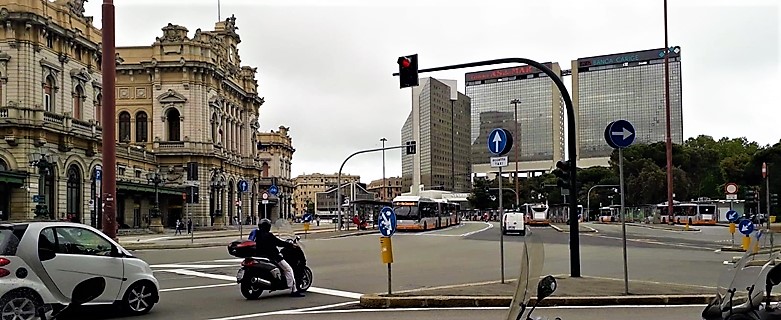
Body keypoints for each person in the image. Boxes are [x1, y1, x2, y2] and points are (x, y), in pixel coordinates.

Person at [253, 219, 304, 297]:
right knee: (288, 269)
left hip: (259, 256)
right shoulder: (269, 235)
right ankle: (294, 290)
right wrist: (291, 245)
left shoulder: (257, 235)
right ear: (268, 227)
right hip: (273, 257)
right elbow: (279, 243)